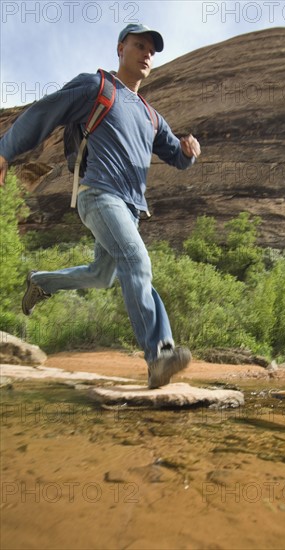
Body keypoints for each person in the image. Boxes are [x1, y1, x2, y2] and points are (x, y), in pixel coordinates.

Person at [0, 23, 201, 389]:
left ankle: (40, 281)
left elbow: (175, 153)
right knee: (137, 261)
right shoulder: (97, 87)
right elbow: (44, 112)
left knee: (102, 274)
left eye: (151, 51)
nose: (146, 54)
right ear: (120, 49)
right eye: (139, 45)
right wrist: (5, 149)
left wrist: (188, 153)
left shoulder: (152, 116)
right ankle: (159, 355)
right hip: (98, 194)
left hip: (130, 209)